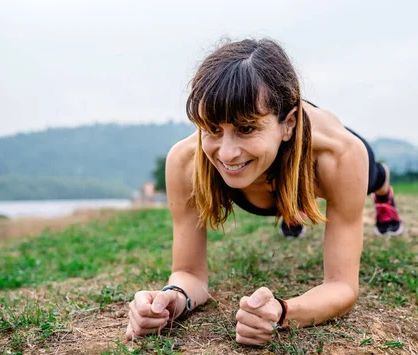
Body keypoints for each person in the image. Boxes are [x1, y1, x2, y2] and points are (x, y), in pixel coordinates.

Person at [126, 38, 403, 346]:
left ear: (289, 123)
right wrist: (171, 299)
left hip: (311, 161)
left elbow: (342, 287)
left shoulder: (339, 155)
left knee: (372, 176)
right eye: (212, 129)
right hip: (275, 173)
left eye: (246, 128)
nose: (227, 153)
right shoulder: (185, 162)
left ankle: (380, 189)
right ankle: (290, 205)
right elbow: (189, 274)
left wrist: (283, 312)